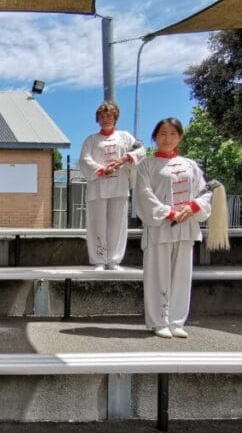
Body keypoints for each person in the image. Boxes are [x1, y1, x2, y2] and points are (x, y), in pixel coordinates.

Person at [134, 117, 212, 339]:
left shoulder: (191, 166)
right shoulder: (146, 165)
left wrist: (194, 206)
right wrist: (168, 212)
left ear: (180, 137)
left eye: (172, 134)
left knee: (181, 275)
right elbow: (144, 195)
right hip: (160, 228)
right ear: (155, 137)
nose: (167, 138)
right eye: (162, 134)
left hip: (186, 227)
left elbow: (204, 191)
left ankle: (177, 320)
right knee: (158, 274)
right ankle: (158, 320)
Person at [78, 101, 145, 270]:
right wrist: (101, 169)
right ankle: (99, 259)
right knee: (97, 224)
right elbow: (84, 160)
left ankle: (114, 260)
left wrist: (126, 158)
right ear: (97, 119)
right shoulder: (91, 140)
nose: (105, 119)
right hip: (98, 188)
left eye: (109, 116)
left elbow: (141, 150)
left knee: (117, 224)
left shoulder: (125, 137)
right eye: (102, 116)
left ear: (115, 118)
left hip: (119, 187)